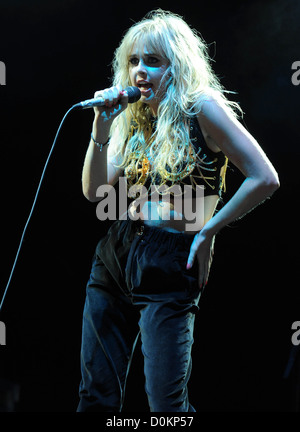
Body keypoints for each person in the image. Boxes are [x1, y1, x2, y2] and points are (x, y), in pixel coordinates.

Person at [77, 9, 279, 412]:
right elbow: (95, 190)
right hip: (117, 252)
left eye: (152, 61)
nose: (139, 71)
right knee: (96, 395)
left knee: (166, 405)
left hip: (170, 259)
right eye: (133, 61)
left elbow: (264, 177)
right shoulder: (130, 113)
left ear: (177, 65)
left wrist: (208, 232)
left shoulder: (200, 107)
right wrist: (100, 130)